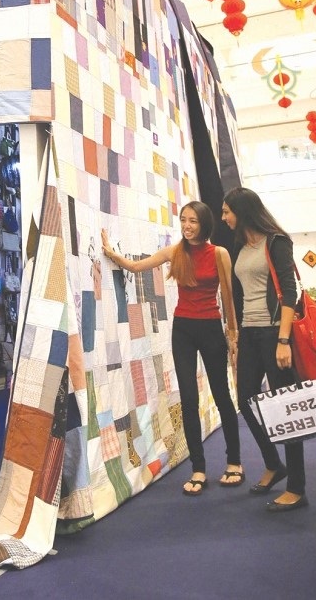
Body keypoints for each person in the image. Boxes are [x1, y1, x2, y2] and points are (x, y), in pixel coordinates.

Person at [101, 201, 242, 496]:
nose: (187, 226)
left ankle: (234, 462)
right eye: (183, 220)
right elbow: (137, 267)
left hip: (211, 328)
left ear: (204, 223)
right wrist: (111, 253)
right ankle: (199, 469)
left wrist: (233, 335)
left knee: (222, 395)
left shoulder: (219, 253)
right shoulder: (175, 252)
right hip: (184, 329)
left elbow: (228, 295)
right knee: (188, 399)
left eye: (193, 221)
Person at [221, 187, 307, 512]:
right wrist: (239, 335)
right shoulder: (241, 245)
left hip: (274, 334)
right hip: (251, 333)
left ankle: (297, 488)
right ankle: (274, 464)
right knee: (246, 400)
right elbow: (242, 295)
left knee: (286, 408)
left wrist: (284, 340)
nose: (224, 217)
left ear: (242, 211)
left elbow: (289, 292)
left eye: (227, 211)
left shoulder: (276, 242)